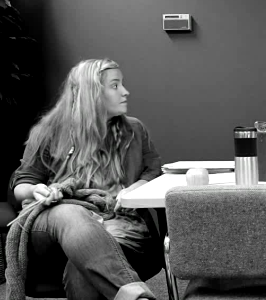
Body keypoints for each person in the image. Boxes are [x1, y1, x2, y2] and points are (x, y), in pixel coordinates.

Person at [9, 58, 163, 300]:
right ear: (92, 93)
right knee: (70, 212)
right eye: (115, 86)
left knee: (81, 272)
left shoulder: (134, 130)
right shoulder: (48, 132)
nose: (125, 92)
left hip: (120, 227)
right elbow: (21, 185)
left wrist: (134, 190)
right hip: (51, 229)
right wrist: (36, 190)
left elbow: (152, 172)